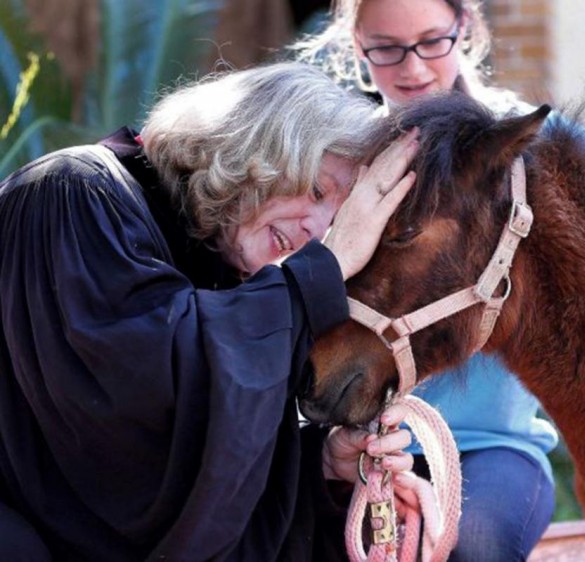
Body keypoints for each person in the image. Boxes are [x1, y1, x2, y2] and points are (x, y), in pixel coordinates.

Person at [0, 61, 421, 561]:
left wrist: (321, 463)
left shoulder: (228, 277)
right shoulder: (70, 192)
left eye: (336, 224)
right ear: (258, 147)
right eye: (316, 190)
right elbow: (138, 396)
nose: (315, 230)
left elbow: (196, 460)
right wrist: (317, 273)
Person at [294, 2, 561, 560]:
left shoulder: (521, 144)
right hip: (361, 440)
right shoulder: (340, 160)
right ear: (355, 45)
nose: (412, 69)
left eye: (432, 41)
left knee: (477, 546)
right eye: (387, 48)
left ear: (464, 28)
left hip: (489, 448)